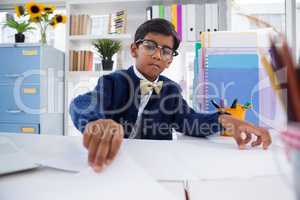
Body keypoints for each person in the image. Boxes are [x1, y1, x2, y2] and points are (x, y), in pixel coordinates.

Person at [70, 18, 271, 172]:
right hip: (114, 163)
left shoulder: (171, 90)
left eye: (166, 51)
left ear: (170, 60)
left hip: (158, 167)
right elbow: (83, 102)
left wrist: (225, 120)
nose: (158, 55)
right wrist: (94, 122)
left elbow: (189, 120)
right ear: (134, 49)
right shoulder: (113, 81)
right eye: (149, 46)